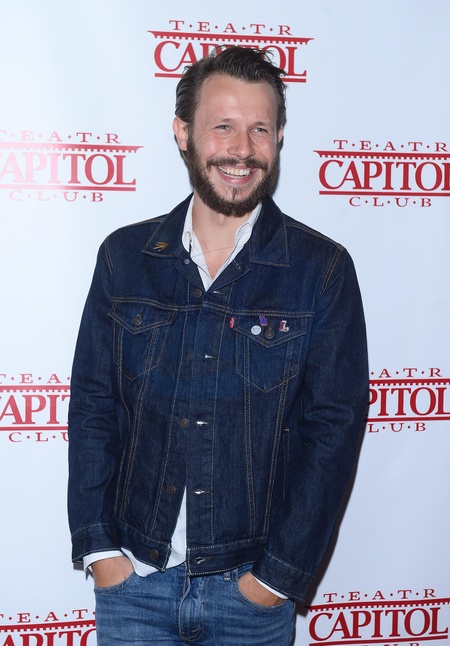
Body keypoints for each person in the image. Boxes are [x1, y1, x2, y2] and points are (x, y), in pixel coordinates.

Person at [68, 46, 369, 645]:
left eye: (260, 129)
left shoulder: (322, 270)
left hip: (251, 595)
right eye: (223, 126)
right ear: (183, 133)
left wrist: (274, 580)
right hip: (135, 585)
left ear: (279, 138)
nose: (243, 149)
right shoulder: (124, 258)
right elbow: (94, 405)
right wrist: (101, 552)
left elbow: (333, 431)